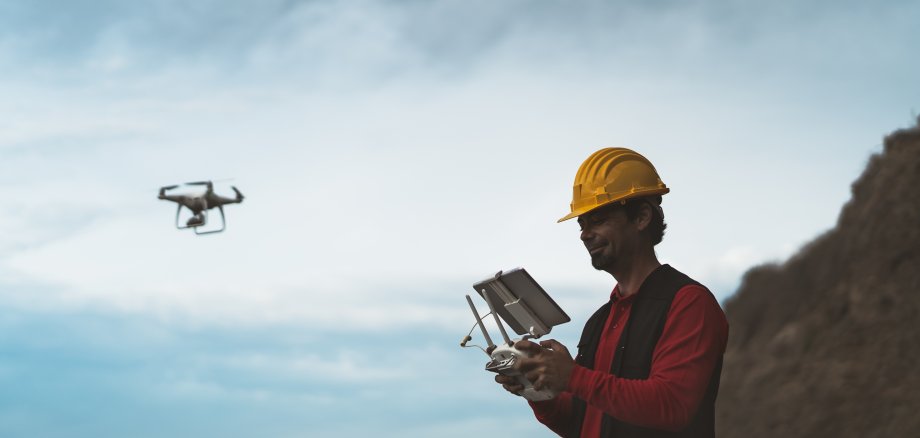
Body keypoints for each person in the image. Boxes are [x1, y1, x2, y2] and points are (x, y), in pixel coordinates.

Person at [494, 147, 729, 438]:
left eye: (598, 219)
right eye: (582, 224)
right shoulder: (599, 321)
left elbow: (672, 406)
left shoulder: (688, 303)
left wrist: (572, 376)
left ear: (641, 217)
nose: (584, 234)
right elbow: (581, 423)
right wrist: (536, 387)